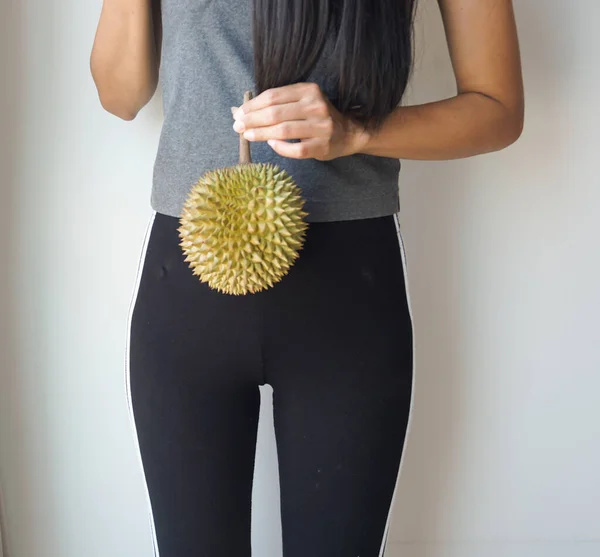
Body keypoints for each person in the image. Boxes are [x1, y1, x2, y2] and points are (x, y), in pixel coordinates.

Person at [90, 1, 524, 555]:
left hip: (346, 299)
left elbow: (498, 107)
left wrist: (355, 132)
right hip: (189, 290)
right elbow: (119, 96)